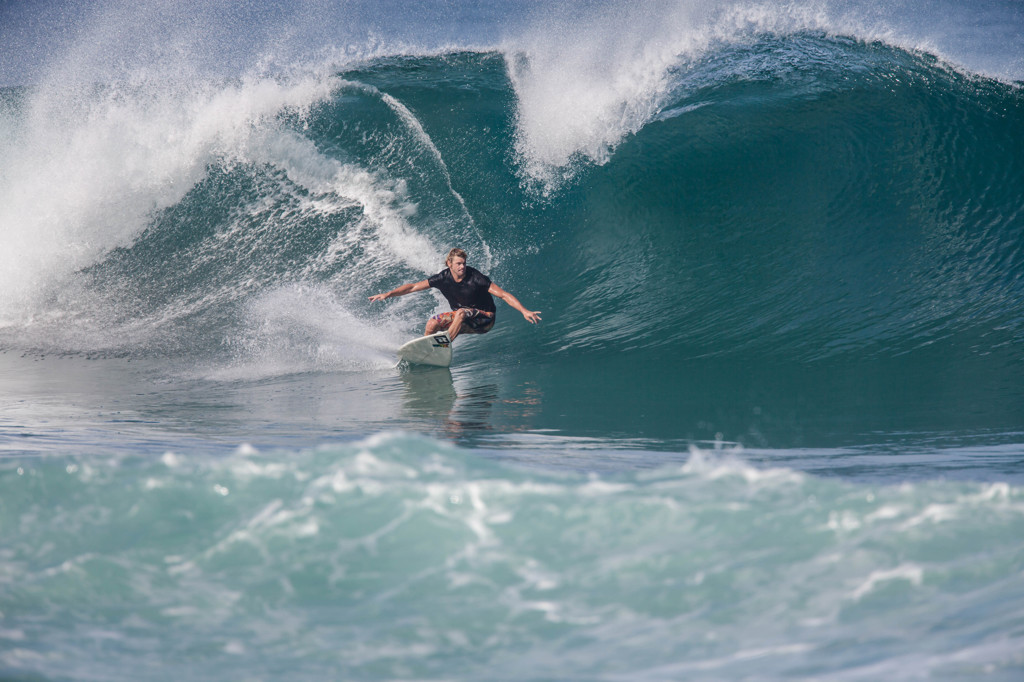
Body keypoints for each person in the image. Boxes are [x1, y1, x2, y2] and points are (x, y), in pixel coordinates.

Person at [369, 248, 541, 341]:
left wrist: (524, 311)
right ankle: (428, 352)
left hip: (485, 319)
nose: (462, 267)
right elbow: (413, 287)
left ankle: (442, 348)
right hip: (464, 319)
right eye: (458, 263)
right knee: (432, 323)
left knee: (461, 313)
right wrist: (388, 294)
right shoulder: (443, 278)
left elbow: (503, 295)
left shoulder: (476, 278)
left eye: (464, 263)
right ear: (449, 264)